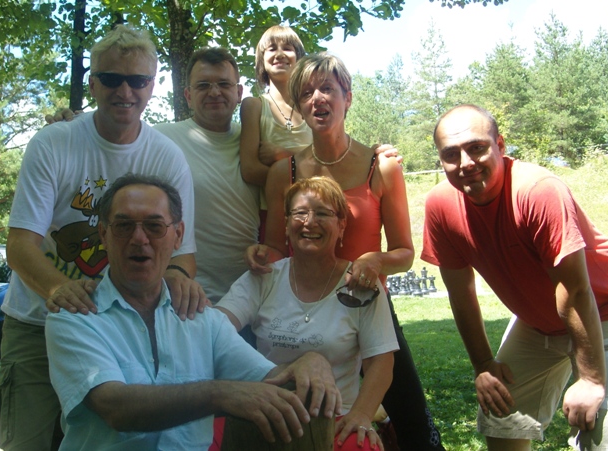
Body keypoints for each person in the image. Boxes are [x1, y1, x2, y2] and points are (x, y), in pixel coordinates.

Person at [0, 25, 205, 450]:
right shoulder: (53, 144)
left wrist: (179, 278)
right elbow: (19, 246)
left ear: (152, 85)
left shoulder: (166, 158)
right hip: (38, 322)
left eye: (138, 80)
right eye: (111, 79)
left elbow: (182, 252)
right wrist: (60, 289)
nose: (125, 91)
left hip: (121, 329)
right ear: (93, 83)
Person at [45, 174, 341, 450]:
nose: (139, 238)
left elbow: (270, 379)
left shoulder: (201, 317)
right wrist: (219, 394)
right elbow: (115, 407)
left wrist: (311, 361)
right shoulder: (74, 316)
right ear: (103, 234)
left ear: (178, 235)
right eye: (124, 226)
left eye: (154, 226)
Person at [247, 52, 445, 450]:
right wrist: (260, 254)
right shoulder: (284, 172)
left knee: (413, 423)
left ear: (347, 98)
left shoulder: (381, 167)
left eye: (327, 89)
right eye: (307, 93)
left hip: (368, 305)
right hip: (306, 312)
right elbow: (276, 247)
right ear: (299, 106)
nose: (317, 98)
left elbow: (404, 252)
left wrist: (374, 260)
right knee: (304, 416)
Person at [422, 104, 608, 450]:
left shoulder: (538, 190)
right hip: (538, 321)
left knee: (602, 431)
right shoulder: (440, 206)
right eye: (451, 154)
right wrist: (483, 364)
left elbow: (575, 290)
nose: (466, 163)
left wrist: (591, 379)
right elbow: (460, 291)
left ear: (500, 145)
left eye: (477, 148)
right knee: (503, 418)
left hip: (607, 308)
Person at [218, 176, 398, 451]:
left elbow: (381, 363)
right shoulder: (264, 277)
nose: (310, 222)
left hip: (335, 419)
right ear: (286, 225)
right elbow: (216, 330)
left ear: (341, 225)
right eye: (300, 213)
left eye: (323, 214)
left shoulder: (361, 286)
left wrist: (361, 414)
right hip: (267, 411)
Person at [154, 47, 260, 303]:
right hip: (186, 298)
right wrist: (70, 122)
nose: (214, 92)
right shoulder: (160, 139)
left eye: (224, 84)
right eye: (203, 85)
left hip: (255, 295)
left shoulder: (256, 141)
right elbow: (113, 142)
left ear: (239, 93)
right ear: (188, 96)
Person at [239, 25, 312, 187]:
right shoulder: (254, 107)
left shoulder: (311, 106)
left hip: (318, 201)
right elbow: (250, 170)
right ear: (262, 60)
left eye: (287, 48)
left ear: (299, 59)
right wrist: (308, 169)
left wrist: (283, 154)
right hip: (274, 203)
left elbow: (329, 161)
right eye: (272, 49)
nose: (279, 54)